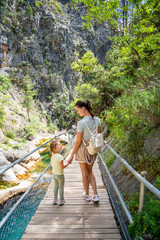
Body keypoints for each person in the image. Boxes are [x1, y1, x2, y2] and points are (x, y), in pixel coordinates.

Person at [68, 99, 101, 203]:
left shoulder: (81, 123)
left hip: (83, 149)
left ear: (83, 108)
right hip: (93, 149)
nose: (78, 113)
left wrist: (71, 155)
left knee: (84, 174)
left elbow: (78, 142)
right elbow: (98, 135)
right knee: (90, 171)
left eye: (78, 110)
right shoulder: (97, 119)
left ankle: (87, 194)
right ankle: (95, 195)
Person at [50, 140, 70, 206]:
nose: (61, 145)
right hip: (60, 175)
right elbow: (62, 167)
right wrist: (68, 163)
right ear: (54, 149)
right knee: (61, 187)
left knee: (56, 186)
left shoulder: (52, 155)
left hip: (54, 174)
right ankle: (61, 200)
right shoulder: (60, 157)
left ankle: (55, 199)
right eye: (58, 145)